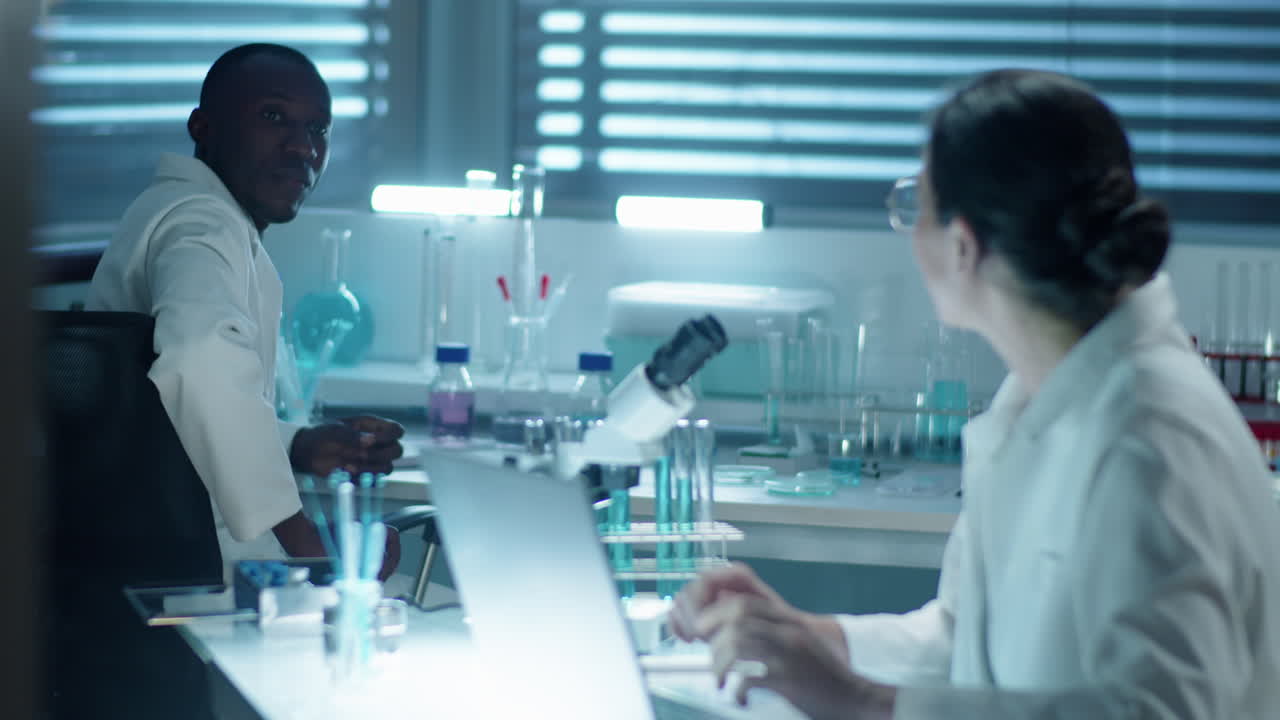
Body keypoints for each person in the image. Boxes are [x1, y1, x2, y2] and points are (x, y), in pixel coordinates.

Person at [670, 69, 1280, 719]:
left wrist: (857, 701)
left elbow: (1157, 712)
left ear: (963, 247)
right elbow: (962, 640)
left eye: (916, 205)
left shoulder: (1149, 438)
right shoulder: (1038, 400)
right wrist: (809, 639)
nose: (909, 233)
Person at [87, 43, 402, 581]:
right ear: (203, 127)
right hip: (195, 573)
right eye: (273, 117)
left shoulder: (184, 212)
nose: (302, 147)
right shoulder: (202, 224)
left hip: (157, 550)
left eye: (318, 129)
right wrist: (300, 534)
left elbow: (168, 414)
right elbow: (199, 359)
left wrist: (298, 443)